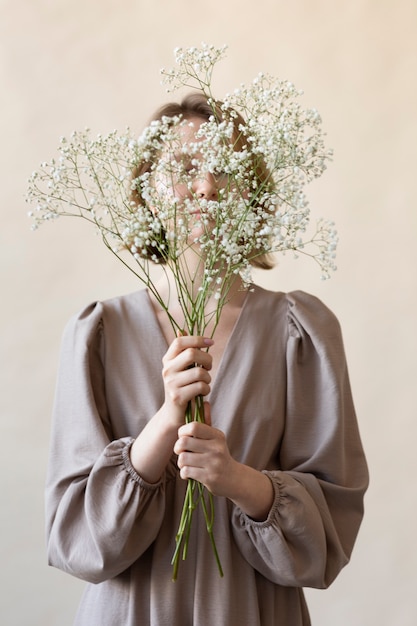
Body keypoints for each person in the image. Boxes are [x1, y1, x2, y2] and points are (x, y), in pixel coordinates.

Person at [45, 93, 369, 626]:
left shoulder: (300, 332)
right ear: (146, 189)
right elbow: (76, 536)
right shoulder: (99, 333)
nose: (206, 187)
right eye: (185, 168)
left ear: (253, 190)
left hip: (253, 609)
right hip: (131, 611)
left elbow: (330, 532)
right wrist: (168, 418)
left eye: (225, 169)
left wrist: (238, 479)